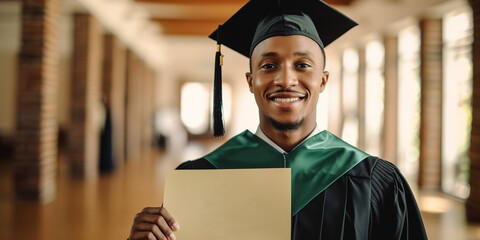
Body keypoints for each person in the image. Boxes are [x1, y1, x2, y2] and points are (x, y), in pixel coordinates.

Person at [128, 0, 428, 239]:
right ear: (250, 80)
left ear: (323, 81)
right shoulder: (199, 177)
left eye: (302, 65)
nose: (286, 79)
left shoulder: (377, 182)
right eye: (269, 65)